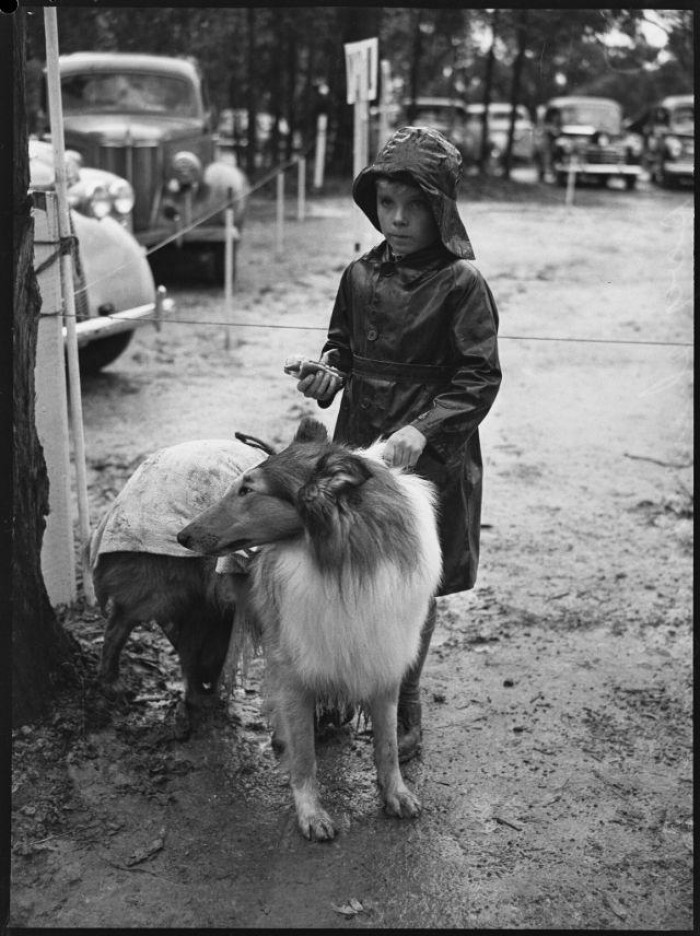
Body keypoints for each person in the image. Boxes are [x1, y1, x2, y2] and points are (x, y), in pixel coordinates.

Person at [295, 126, 502, 761]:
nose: (399, 218)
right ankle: (334, 694)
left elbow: (479, 376)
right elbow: (341, 346)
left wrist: (423, 429)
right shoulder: (358, 274)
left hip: (428, 451)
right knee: (341, 560)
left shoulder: (462, 283)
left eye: (415, 206)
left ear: (441, 208)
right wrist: (328, 374)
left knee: (411, 576)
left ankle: (403, 701)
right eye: (387, 204)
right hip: (359, 439)